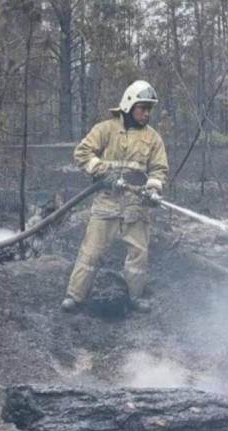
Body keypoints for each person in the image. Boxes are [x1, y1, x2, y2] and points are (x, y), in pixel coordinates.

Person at [61, 80, 169, 314]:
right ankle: (75, 296)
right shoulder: (105, 129)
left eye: (150, 109)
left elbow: (159, 169)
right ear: (129, 105)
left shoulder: (153, 138)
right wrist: (103, 172)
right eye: (143, 108)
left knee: (138, 254)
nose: (147, 113)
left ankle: (134, 297)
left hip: (135, 206)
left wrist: (153, 189)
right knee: (91, 251)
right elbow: (82, 153)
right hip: (107, 202)